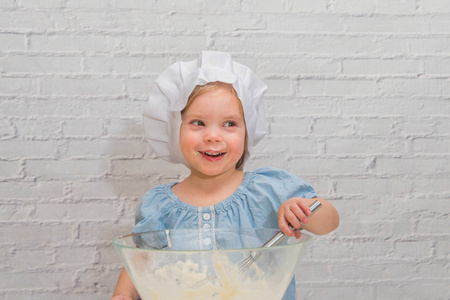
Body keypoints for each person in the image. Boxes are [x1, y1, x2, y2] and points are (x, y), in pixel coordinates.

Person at [111, 51, 339, 300]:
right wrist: (124, 295)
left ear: (246, 132)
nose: (213, 136)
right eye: (198, 123)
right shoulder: (159, 206)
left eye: (229, 124)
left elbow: (329, 222)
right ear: (175, 129)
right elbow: (141, 262)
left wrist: (304, 210)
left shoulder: (268, 191)